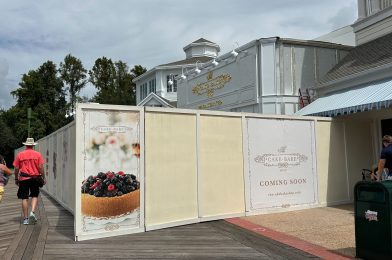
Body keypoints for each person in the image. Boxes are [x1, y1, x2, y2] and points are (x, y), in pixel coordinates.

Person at [13, 138, 45, 225]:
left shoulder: (20, 155)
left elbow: (16, 168)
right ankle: (32, 212)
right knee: (34, 195)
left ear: (25, 145)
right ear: (33, 145)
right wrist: (43, 177)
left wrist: (16, 178)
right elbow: (40, 168)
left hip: (24, 179)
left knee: (24, 198)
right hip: (35, 178)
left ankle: (26, 219)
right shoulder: (38, 154)